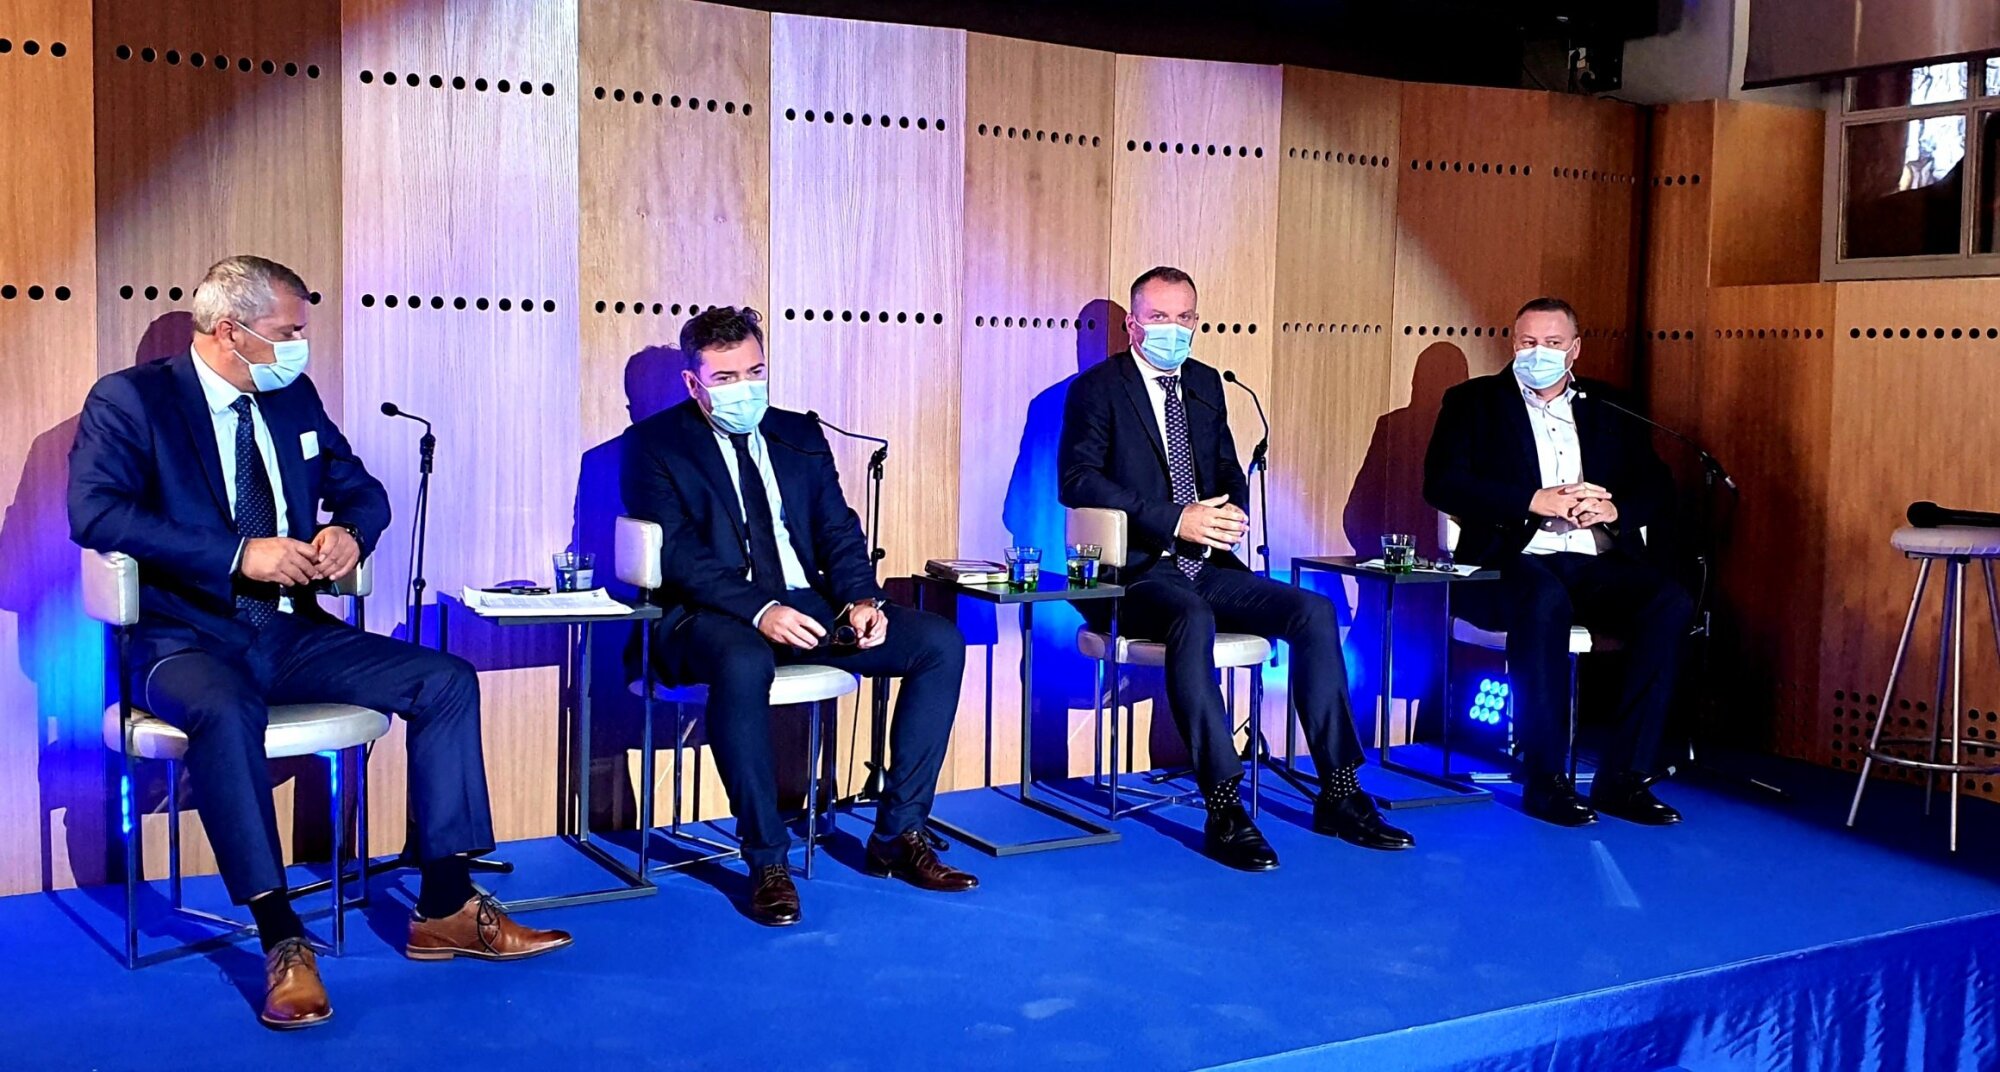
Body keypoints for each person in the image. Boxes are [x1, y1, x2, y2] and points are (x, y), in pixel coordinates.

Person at [68, 256, 569, 1030]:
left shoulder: (291, 395)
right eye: (289, 330)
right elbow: (96, 513)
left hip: (291, 631)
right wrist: (239, 554)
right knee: (225, 708)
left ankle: (445, 906)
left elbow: (362, 488)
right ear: (231, 332)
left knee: (445, 680)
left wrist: (350, 533)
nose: (302, 344)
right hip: (184, 639)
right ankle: (282, 939)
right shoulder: (132, 400)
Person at [621, 306, 976, 926]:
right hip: (705, 614)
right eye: (726, 378)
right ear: (693, 383)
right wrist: (760, 609)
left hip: (804, 603)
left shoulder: (798, 434)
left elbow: (838, 530)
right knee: (741, 659)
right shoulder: (654, 444)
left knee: (938, 642)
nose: (745, 389)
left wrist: (862, 599)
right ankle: (766, 861)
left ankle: (898, 834)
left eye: (755, 372)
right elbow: (677, 555)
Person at [1057, 266, 1413, 872]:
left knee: (1312, 610)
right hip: (1135, 573)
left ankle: (1339, 790)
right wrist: (1176, 519)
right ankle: (1224, 804)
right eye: (1159, 317)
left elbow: (1225, 469)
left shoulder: (1204, 383)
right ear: (1133, 324)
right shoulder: (1098, 388)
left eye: (1184, 318)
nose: (1173, 329)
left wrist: (1229, 513)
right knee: (1190, 616)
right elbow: (1078, 480)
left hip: (1207, 563)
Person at [1423, 296, 1694, 827]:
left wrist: (1614, 510)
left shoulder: (1608, 408)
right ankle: (1546, 779)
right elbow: (1442, 483)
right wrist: (1531, 500)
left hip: (1591, 561)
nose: (1538, 353)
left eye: (1552, 343)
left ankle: (1625, 777)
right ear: (1513, 343)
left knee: (1670, 601)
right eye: (1528, 342)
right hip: (1509, 562)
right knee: (1543, 598)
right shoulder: (1473, 402)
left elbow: (1658, 486)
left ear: (1574, 350)